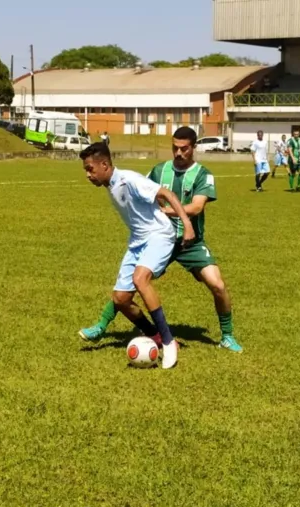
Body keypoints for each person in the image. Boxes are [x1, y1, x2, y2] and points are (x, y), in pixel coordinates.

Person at [79, 127, 243, 353]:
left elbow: (197, 206)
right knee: (131, 285)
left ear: (193, 147)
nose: (178, 152)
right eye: (174, 147)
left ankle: (227, 336)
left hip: (189, 241)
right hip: (159, 239)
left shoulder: (203, 174)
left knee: (218, 284)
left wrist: (170, 214)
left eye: (184, 148)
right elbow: (143, 193)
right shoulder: (159, 170)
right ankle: (101, 325)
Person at [80, 142, 194, 369]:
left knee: (140, 279)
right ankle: (156, 336)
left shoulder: (129, 180)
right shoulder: (109, 183)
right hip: (138, 241)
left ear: (104, 165)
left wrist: (187, 224)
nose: (87, 175)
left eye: (90, 169)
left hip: (159, 235)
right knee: (121, 299)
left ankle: (169, 341)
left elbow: (167, 193)